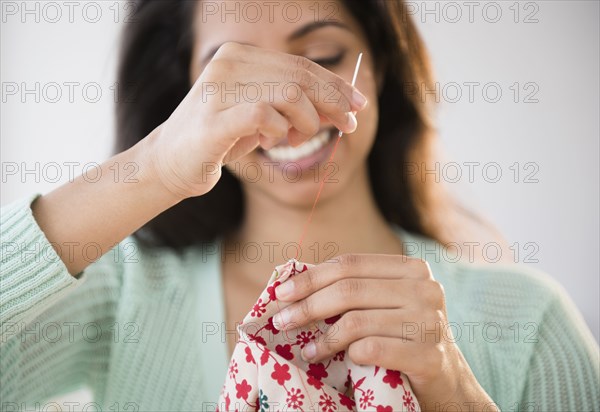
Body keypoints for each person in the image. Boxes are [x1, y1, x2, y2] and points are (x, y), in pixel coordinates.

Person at [1, 1, 598, 411]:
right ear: (186, 92)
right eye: (234, 75)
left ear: (382, 64)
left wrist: (459, 397)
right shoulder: (120, 296)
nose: (286, 106)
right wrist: (153, 165)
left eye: (324, 55)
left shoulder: (528, 322)